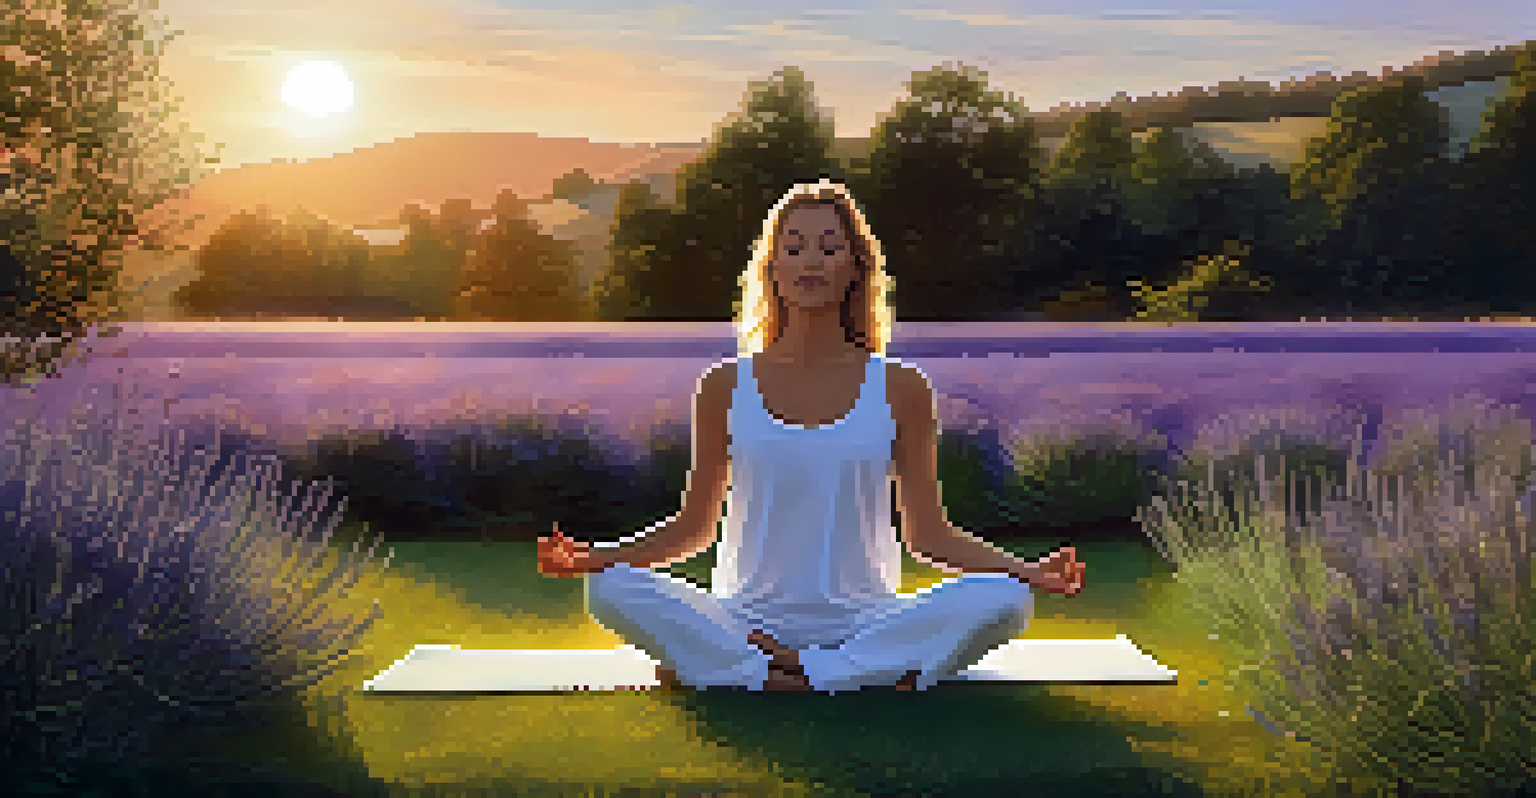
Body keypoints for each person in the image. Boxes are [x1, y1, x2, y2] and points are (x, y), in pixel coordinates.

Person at [537, 179, 1084, 693]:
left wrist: (1027, 571)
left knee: (1007, 601)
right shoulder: (725, 385)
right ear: (772, 265)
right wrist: (597, 557)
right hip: (743, 618)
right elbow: (693, 529)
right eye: (794, 247)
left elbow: (929, 537)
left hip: (865, 620)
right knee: (609, 589)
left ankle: (769, 672)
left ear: (856, 266)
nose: (811, 261)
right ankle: (812, 672)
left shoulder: (902, 388)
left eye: (828, 247)